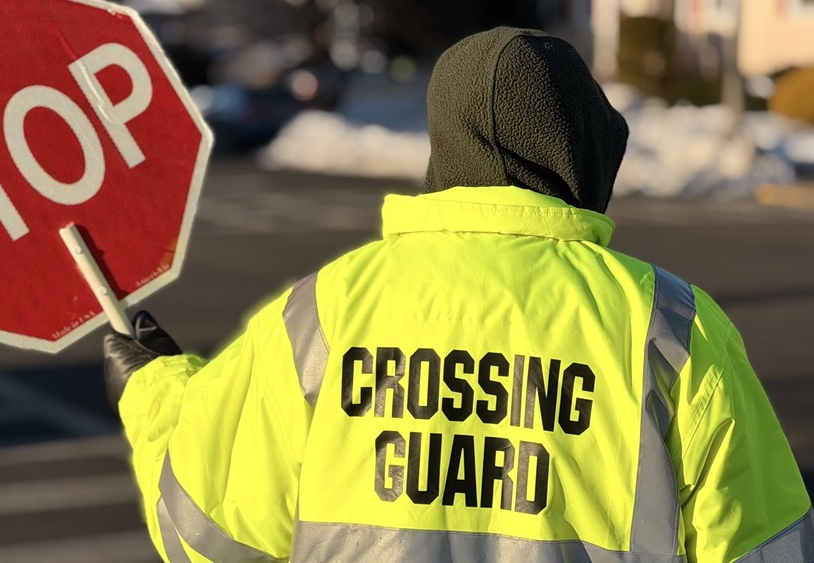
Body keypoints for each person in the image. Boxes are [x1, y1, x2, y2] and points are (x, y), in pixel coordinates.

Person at [104, 27, 813, 562]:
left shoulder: (320, 314)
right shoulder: (670, 325)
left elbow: (201, 526)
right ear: (584, 153)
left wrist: (158, 389)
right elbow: (764, 546)